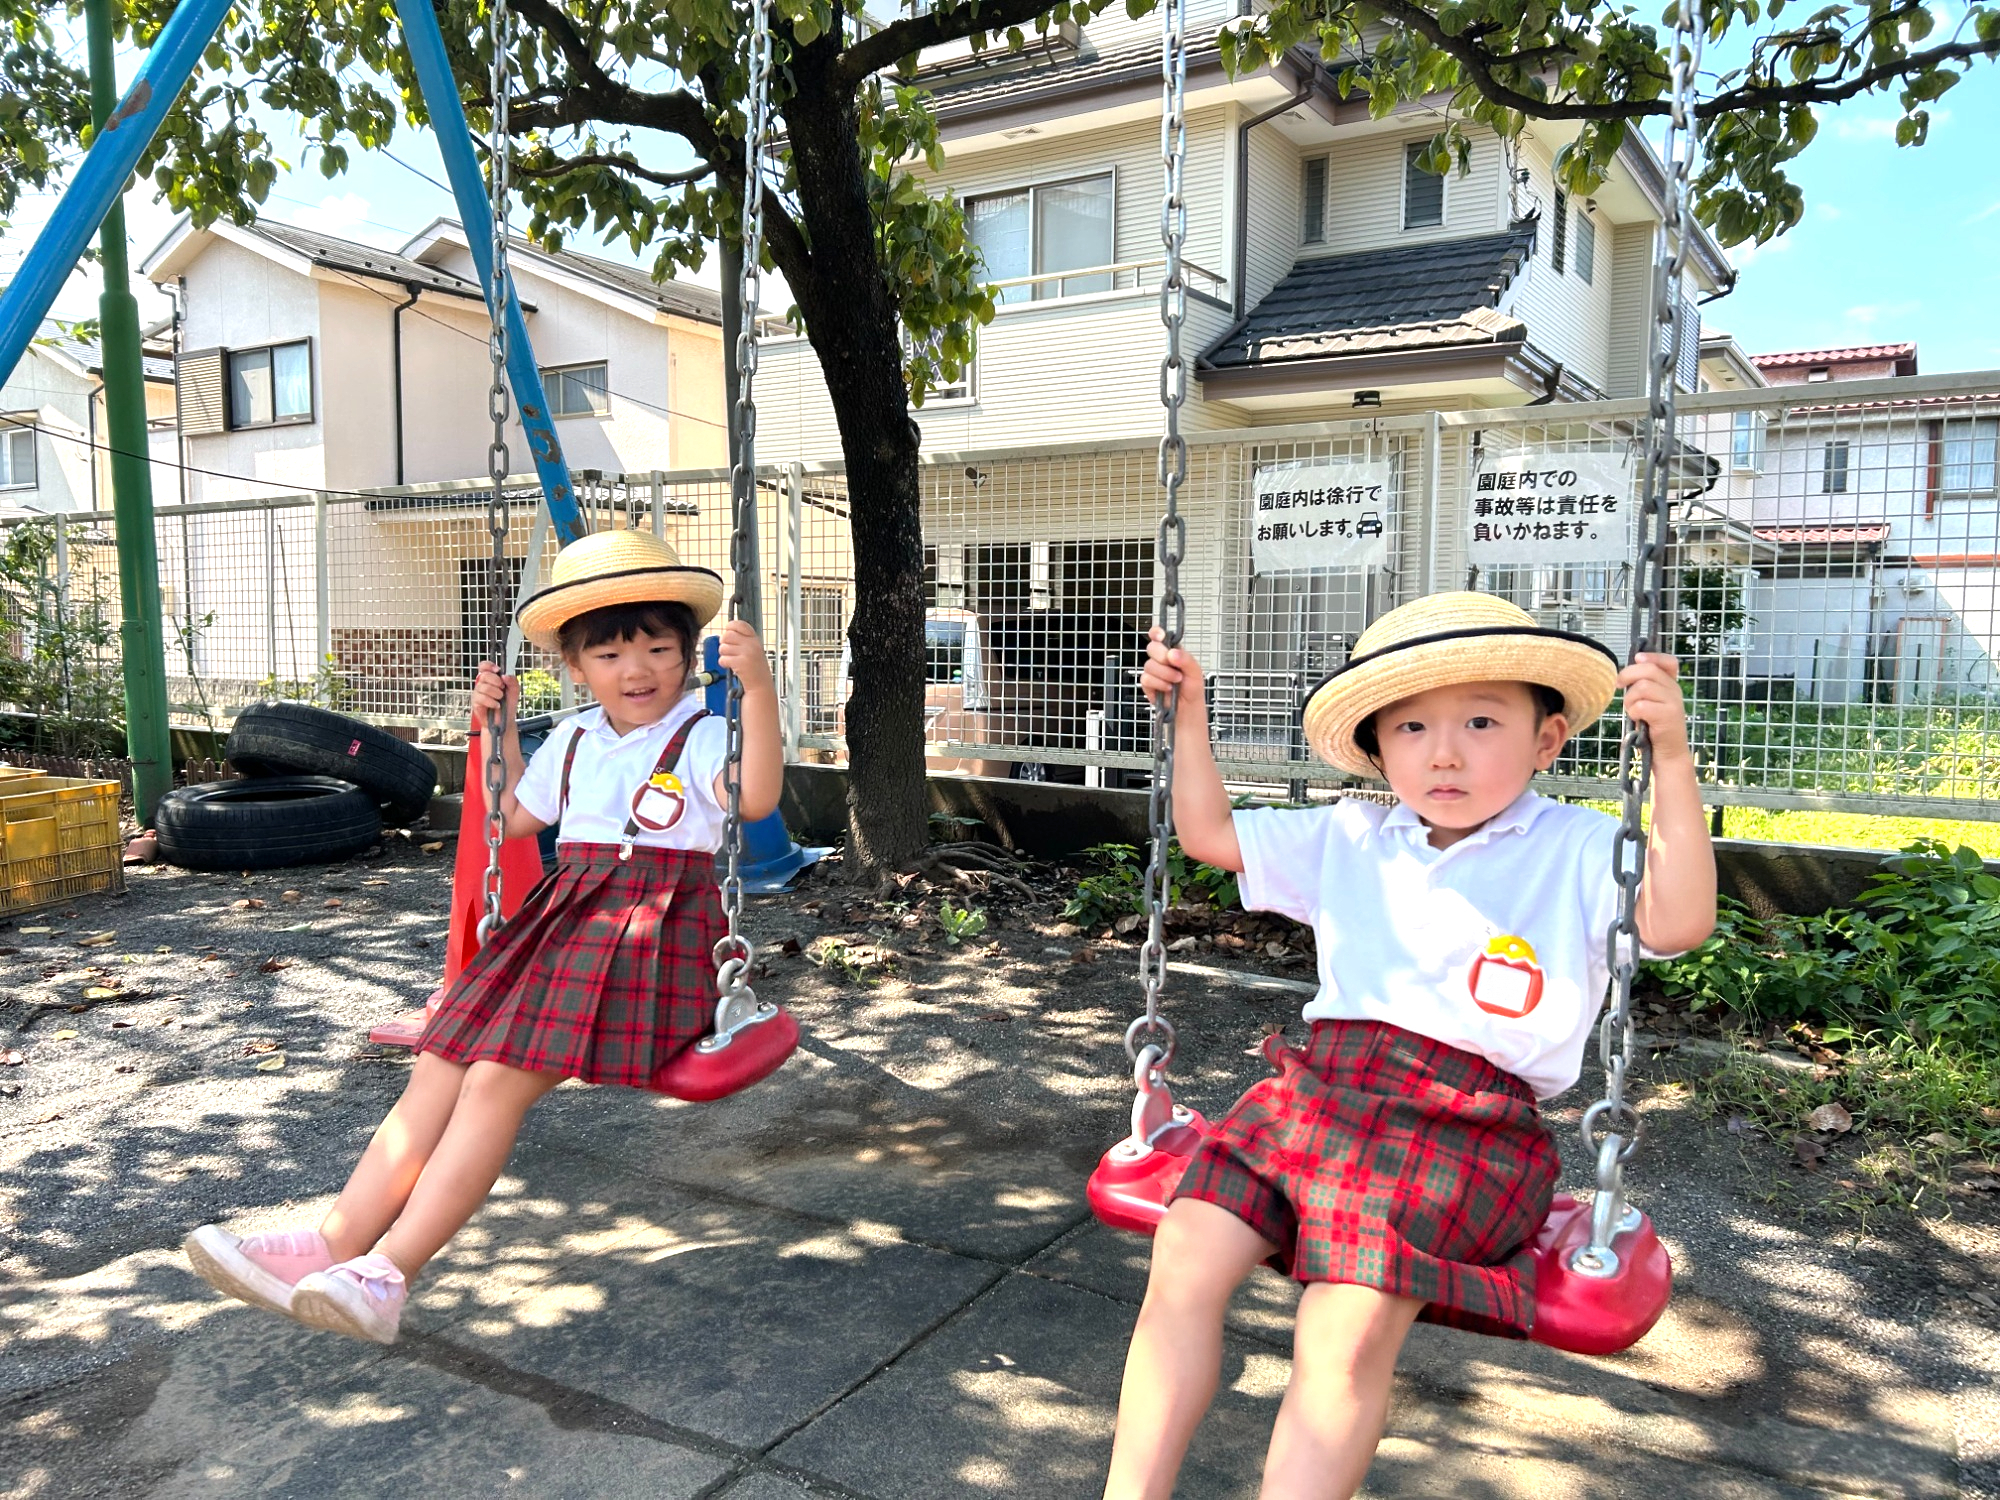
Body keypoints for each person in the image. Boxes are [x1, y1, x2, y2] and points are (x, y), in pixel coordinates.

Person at [1104, 591, 1717, 1500]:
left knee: (1341, 1328)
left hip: (1464, 1124)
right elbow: (1210, 835)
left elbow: (1680, 920)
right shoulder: (1353, 832)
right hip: (1316, 1094)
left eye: (1481, 721)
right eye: (1412, 728)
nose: (1444, 752)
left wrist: (1671, 757)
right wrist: (1187, 716)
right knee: (1185, 1255)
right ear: (1377, 747)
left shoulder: (1584, 848)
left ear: (1548, 740)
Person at [183, 530, 783, 1344]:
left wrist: (757, 690)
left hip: (656, 933)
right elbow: (507, 819)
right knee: (441, 1059)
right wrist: (493, 730)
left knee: (495, 1078)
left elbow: (751, 800)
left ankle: (386, 1274)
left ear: (687, 656)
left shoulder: (707, 733)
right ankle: (330, 1244)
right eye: (609, 654)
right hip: (564, 921)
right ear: (576, 667)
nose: (635, 669)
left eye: (656, 648)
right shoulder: (572, 740)